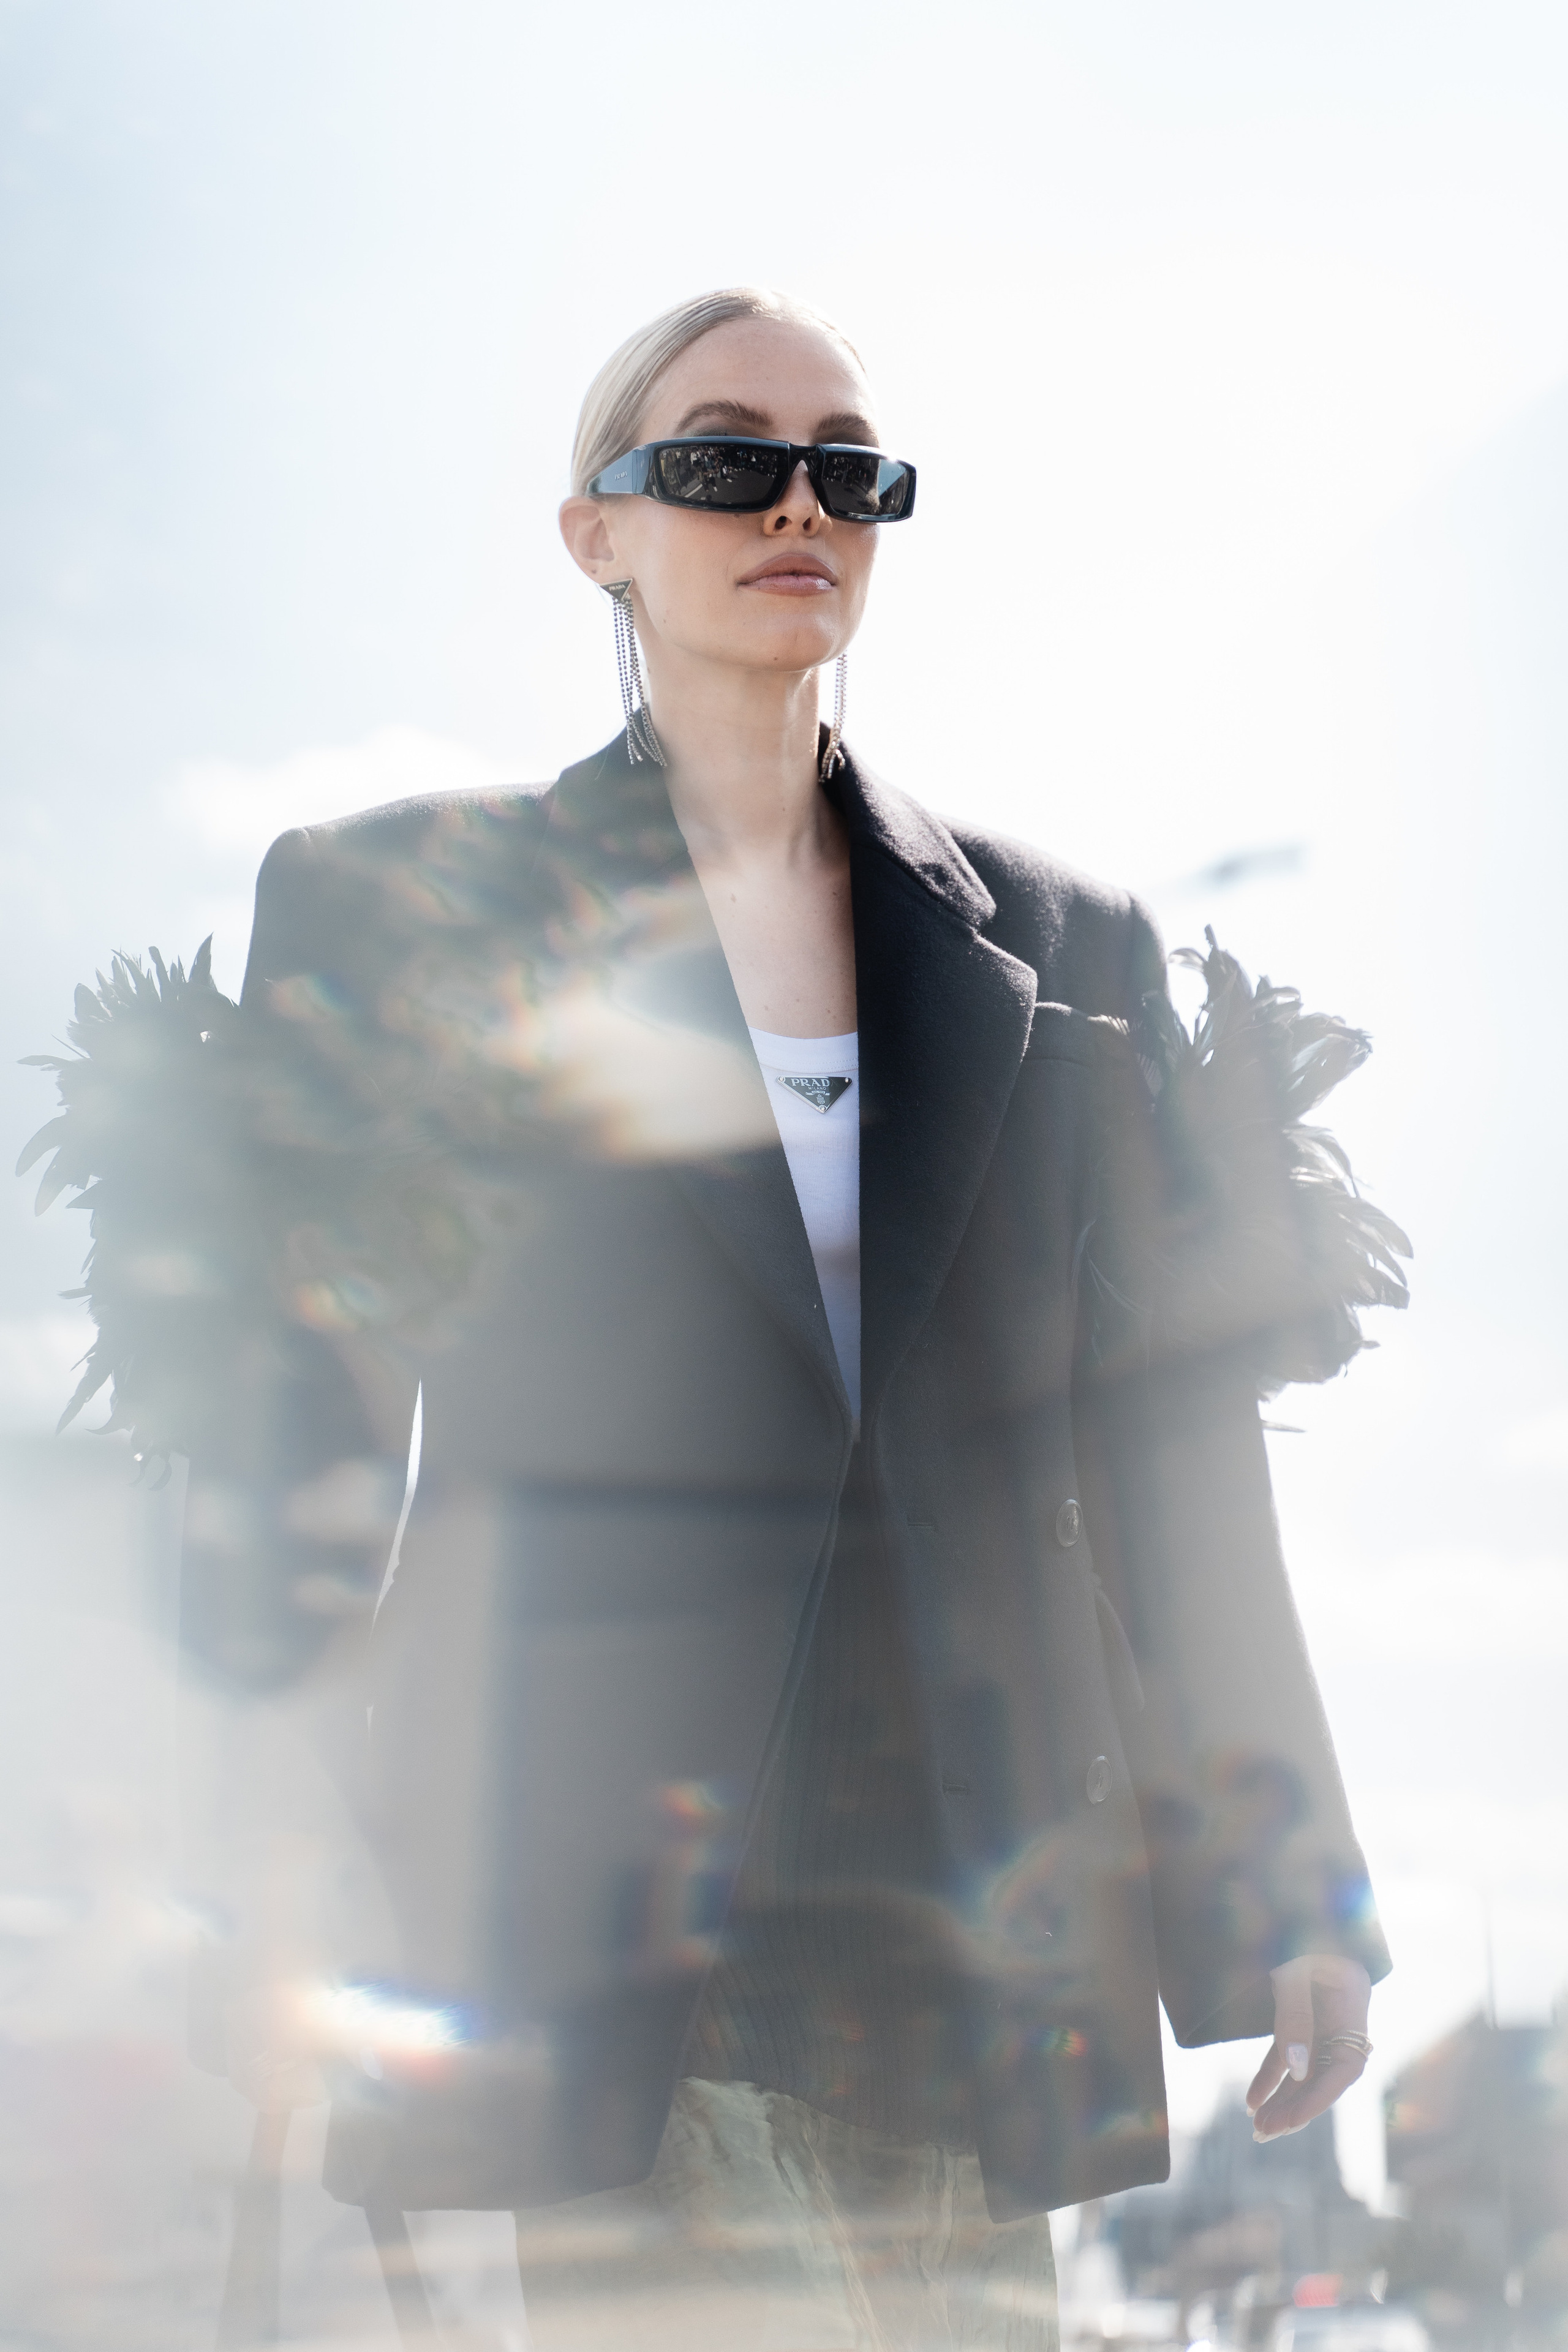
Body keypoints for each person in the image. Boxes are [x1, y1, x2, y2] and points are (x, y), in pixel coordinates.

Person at [159, 287, 1395, 2348]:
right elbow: (295, 1429)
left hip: (973, 1930)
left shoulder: (1061, 944)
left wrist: (1298, 1890)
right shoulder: (399, 910)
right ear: (601, 534)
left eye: (852, 466)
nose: (797, 501)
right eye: (725, 459)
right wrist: (268, 1874)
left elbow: (1166, 1453)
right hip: (604, 1920)